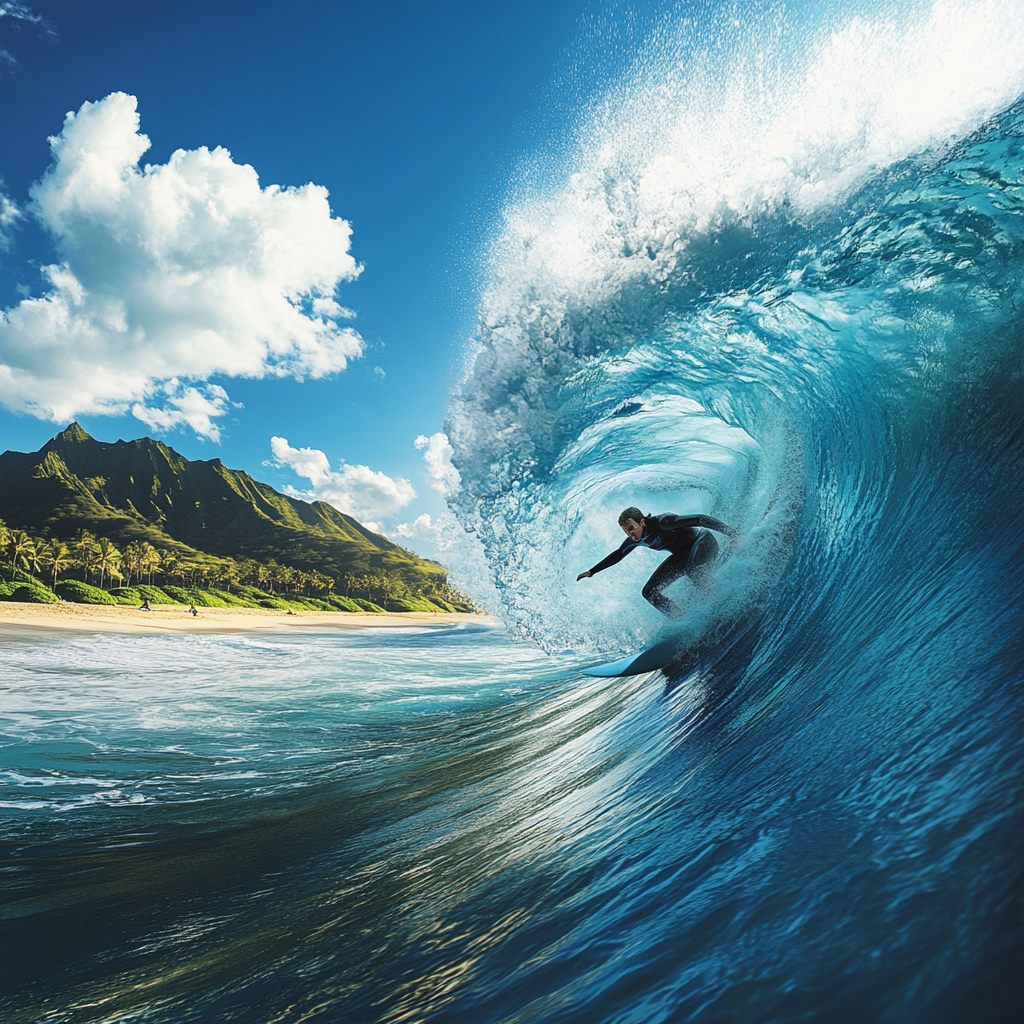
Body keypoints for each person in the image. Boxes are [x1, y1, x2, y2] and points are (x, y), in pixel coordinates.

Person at [576, 506, 738, 617]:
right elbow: (618, 554)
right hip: (683, 555)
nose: (630, 535)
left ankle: (725, 599)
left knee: (692, 571)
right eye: (626, 532)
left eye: (631, 528)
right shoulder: (636, 539)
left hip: (703, 542)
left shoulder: (663, 523)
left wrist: (733, 534)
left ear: (642, 521)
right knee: (649, 592)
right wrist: (592, 572)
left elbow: (699, 519)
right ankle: (681, 619)